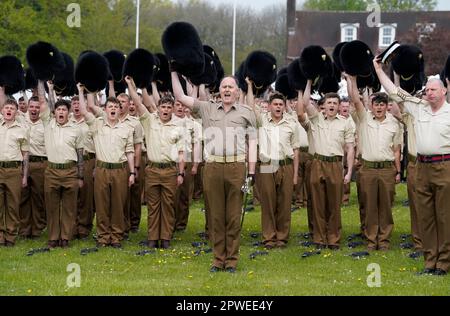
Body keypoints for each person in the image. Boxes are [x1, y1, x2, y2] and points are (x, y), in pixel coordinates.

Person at [172, 72, 257, 273]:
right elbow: (181, 97)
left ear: (237, 92)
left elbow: (252, 143)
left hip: (237, 167)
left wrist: (251, 172)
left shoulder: (247, 112)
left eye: (231, 87)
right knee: (216, 217)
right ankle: (218, 260)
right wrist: (174, 71)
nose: (227, 90)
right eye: (224, 86)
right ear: (219, 90)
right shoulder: (206, 108)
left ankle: (232, 261)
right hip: (213, 168)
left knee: (234, 217)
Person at [374, 57, 450, 276]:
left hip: (444, 167)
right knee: (425, 216)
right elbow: (394, 91)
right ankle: (430, 261)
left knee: (444, 216)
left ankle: (444, 263)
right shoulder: (419, 109)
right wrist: (378, 69)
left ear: (444, 91)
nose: (429, 93)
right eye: (427, 90)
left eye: (433, 90)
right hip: (422, 167)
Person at [125, 76, 185, 249]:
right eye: (163, 107)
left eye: (168, 107)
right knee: (153, 205)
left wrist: (181, 173)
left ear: (172, 109)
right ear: (158, 108)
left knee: (168, 205)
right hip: (152, 169)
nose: (165, 110)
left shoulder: (178, 126)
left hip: (169, 171)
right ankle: (152, 238)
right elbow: (138, 103)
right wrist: (130, 83)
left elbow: (181, 152)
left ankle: (165, 238)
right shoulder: (150, 120)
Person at [347, 75, 402, 251]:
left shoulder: (394, 123)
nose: (379, 107)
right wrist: (352, 79)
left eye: (382, 104)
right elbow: (355, 100)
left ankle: (384, 240)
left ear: (387, 106)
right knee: (369, 205)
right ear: (371, 106)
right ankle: (371, 240)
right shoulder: (364, 118)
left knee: (386, 206)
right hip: (368, 169)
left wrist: (398, 171)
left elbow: (396, 150)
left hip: (387, 170)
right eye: (376, 104)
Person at [78, 85, 135, 248]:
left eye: (116, 107)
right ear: (105, 109)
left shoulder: (126, 128)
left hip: (120, 169)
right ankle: (103, 236)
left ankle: (116, 236)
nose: (113, 109)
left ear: (120, 110)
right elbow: (83, 110)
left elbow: (130, 151)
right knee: (102, 204)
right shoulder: (97, 125)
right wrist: (82, 91)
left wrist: (132, 173)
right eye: (110, 106)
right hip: (102, 169)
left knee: (118, 204)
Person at [301, 79, 355, 250]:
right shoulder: (316, 119)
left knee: (334, 204)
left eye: (335, 103)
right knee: (317, 202)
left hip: (335, 165)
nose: (332, 105)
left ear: (339, 106)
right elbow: (304, 103)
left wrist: (348, 172)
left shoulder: (345, 122)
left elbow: (350, 148)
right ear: (323, 106)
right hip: (318, 162)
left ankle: (333, 238)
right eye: (329, 102)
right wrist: (308, 80)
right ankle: (319, 237)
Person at [39, 80, 84, 248]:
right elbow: (48, 104)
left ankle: (65, 237)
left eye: (64, 109)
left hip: (70, 172)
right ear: (55, 112)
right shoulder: (49, 124)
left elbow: (80, 154)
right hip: (52, 171)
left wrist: (80, 176)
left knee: (68, 207)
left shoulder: (75, 129)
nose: (60, 112)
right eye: (58, 109)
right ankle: (53, 237)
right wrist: (50, 88)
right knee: (51, 206)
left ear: (68, 112)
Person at [254, 92, 300, 249]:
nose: (278, 107)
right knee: (268, 202)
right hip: (267, 165)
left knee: (285, 202)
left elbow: (296, 150)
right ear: (269, 106)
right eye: (275, 104)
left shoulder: (291, 124)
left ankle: (282, 237)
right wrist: (249, 86)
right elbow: (250, 106)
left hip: (286, 165)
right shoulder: (262, 121)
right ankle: (269, 237)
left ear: (284, 106)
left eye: (281, 104)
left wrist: (295, 175)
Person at [0, 97, 29, 247]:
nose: (9, 110)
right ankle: (0, 235)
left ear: (16, 112)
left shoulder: (22, 130)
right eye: (6, 108)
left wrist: (24, 176)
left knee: (13, 205)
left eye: (12, 108)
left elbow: (25, 155)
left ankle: (10, 235)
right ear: (2, 110)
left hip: (13, 170)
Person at [19, 96, 47, 239]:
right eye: (32, 107)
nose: (34, 109)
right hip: (23, 164)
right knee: (23, 197)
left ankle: (37, 229)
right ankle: (24, 229)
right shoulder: (21, 120)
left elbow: (49, 104)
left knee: (38, 197)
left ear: (40, 109)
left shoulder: (46, 123)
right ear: (28, 107)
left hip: (40, 164)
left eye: (37, 107)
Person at [172, 100, 202, 232]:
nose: (180, 107)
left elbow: (197, 145)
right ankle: (170, 222)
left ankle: (181, 224)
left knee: (184, 194)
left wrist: (195, 164)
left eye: (182, 105)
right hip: (171, 161)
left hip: (187, 161)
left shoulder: (193, 125)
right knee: (171, 194)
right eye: (177, 105)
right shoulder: (168, 121)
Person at [70, 95, 96, 239]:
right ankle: (72, 227)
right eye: (74, 103)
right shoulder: (67, 121)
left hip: (88, 160)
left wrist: (96, 166)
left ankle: (84, 228)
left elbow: (99, 143)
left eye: (79, 103)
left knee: (86, 196)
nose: (77, 106)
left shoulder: (91, 121)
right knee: (72, 195)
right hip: (72, 162)